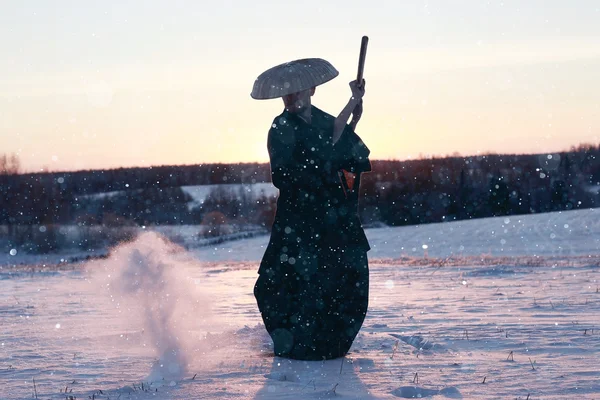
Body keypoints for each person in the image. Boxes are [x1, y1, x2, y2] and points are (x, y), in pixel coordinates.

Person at [251, 58, 371, 360]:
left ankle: (330, 344)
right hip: (298, 216)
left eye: (297, 91)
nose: (291, 97)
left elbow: (344, 147)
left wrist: (354, 105)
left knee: (342, 277)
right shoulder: (279, 127)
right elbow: (285, 173)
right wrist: (322, 161)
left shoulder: (321, 119)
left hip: (331, 216)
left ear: (312, 89)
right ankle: (297, 343)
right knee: (281, 280)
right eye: (286, 93)